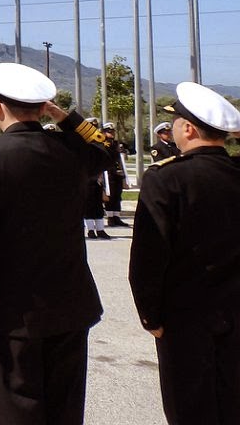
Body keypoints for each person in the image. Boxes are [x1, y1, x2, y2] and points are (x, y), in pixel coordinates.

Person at [0, 62, 108, 425]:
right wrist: (64, 116)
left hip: (14, 312)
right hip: (71, 304)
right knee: (65, 411)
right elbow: (103, 149)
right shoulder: (70, 150)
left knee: (18, 409)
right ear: (44, 108)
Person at [128, 82, 240, 425]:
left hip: (185, 318)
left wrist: (151, 317)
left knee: (189, 408)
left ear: (188, 128)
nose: (173, 127)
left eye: (176, 121)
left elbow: (148, 259)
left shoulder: (166, 179)